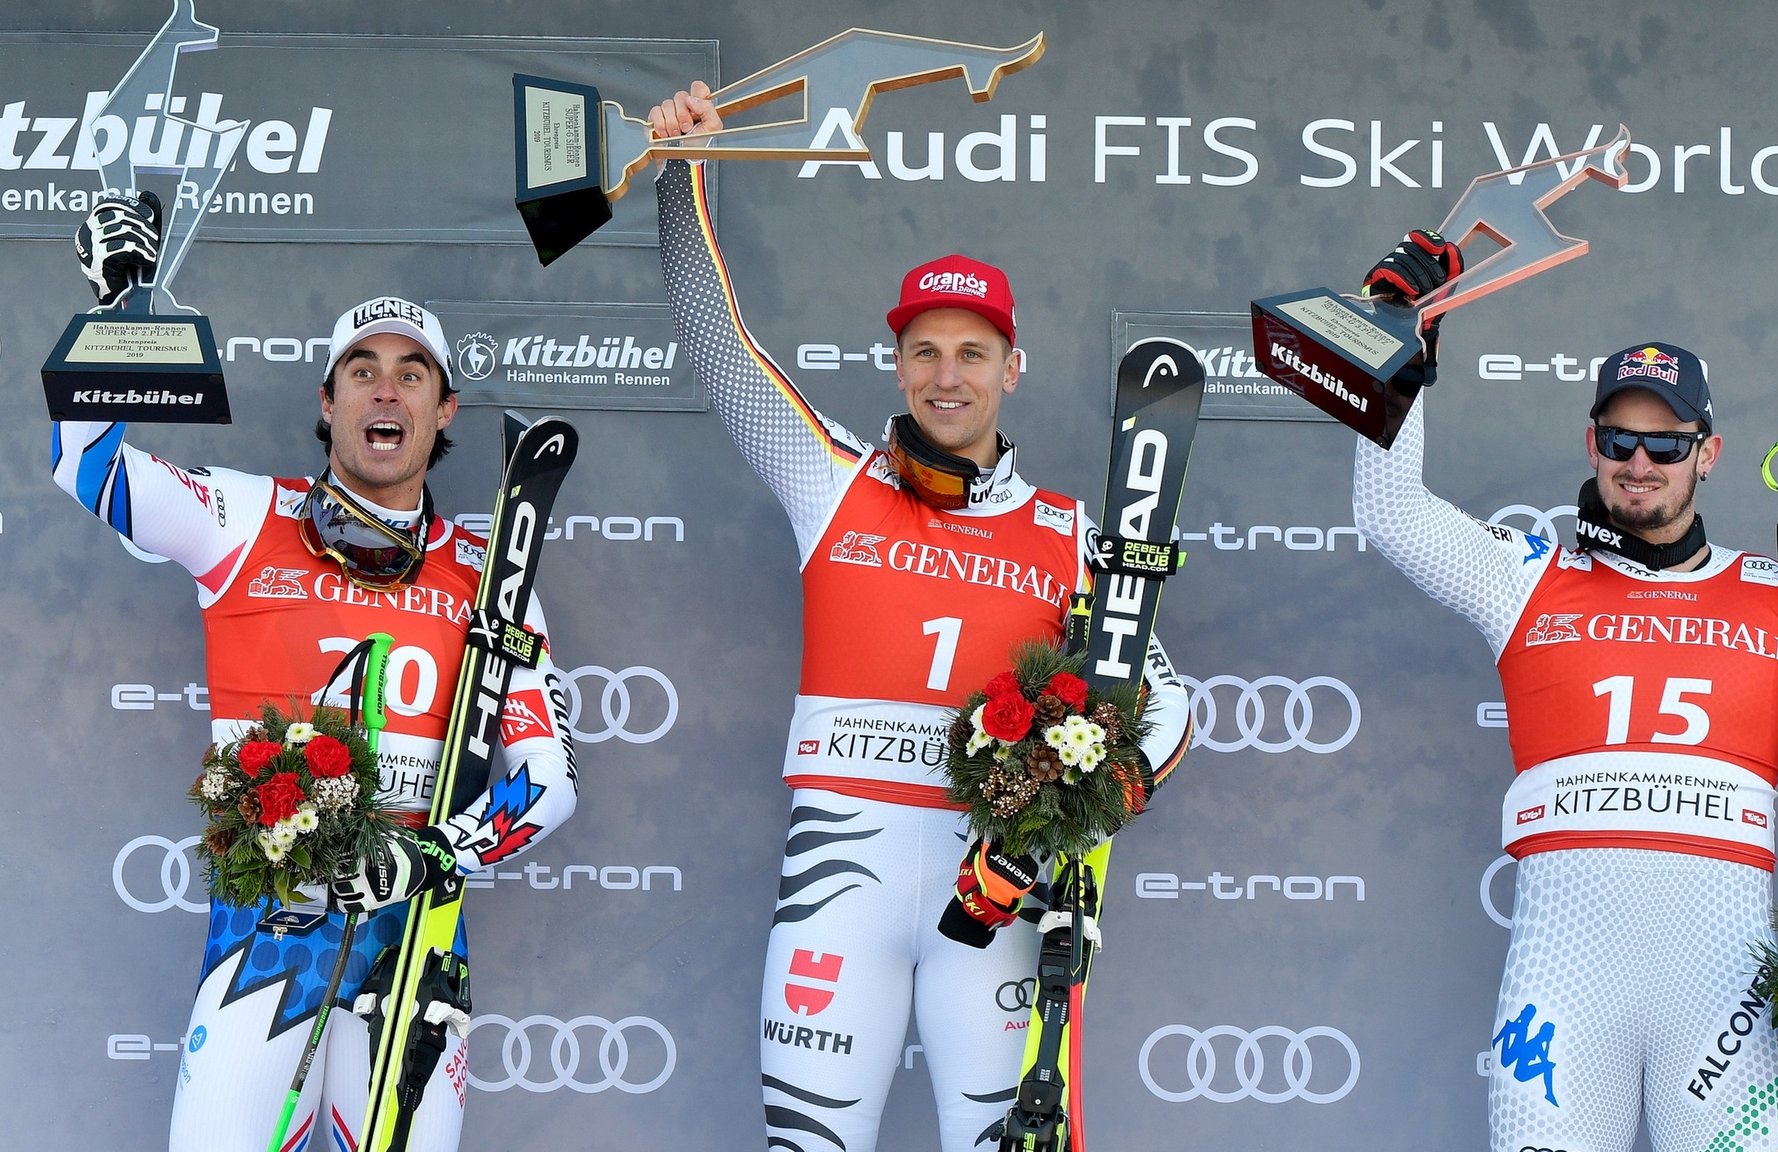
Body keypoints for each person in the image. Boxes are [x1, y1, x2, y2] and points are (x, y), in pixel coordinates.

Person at [647, 85, 1192, 1152]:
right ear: (896, 365)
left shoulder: (1070, 532)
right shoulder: (831, 482)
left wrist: (1065, 820)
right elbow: (720, 346)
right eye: (925, 353)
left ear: (1012, 370)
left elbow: (1166, 701)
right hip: (834, 882)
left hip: (989, 893)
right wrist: (682, 177)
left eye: (972, 353)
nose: (947, 377)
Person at [1349, 232, 1778, 1152]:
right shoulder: (1528, 576)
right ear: (1592, 442)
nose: (1639, 462)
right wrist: (1401, 347)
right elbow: (1391, 514)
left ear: (1710, 453)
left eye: (1666, 442)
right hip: (1564, 985)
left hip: (1728, 997)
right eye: (1619, 438)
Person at [55, 192, 579, 1152]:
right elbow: (87, 469)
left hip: (414, 957)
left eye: (413, 374)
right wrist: (114, 316)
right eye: (363, 371)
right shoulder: (245, 517)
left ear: (444, 408)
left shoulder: (497, 574)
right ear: (327, 400)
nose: (388, 391)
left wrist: (430, 854)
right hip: (260, 948)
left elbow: (548, 783)